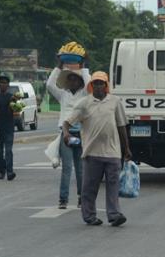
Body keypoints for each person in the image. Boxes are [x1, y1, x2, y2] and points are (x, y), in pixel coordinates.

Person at [62, 72, 132, 227]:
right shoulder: (84, 103)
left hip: (112, 152)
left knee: (113, 186)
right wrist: (66, 134)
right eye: (96, 83)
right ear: (91, 86)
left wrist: (126, 148)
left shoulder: (115, 102)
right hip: (92, 152)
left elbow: (121, 126)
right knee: (89, 188)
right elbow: (67, 122)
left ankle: (114, 215)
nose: (98, 86)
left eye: (101, 83)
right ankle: (89, 216)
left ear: (106, 85)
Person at [46, 59, 92, 209]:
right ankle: (63, 199)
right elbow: (49, 85)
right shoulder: (62, 95)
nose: (72, 82)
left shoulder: (85, 93)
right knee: (66, 168)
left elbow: (89, 84)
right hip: (66, 134)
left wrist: (84, 68)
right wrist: (58, 66)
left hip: (80, 133)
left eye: (75, 79)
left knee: (80, 168)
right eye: (70, 79)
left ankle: (81, 197)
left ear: (79, 81)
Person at [0, 75, 16, 181]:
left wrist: (13, 102)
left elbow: (12, 111)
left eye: (5, 83)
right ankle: (2, 171)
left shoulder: (12, 97)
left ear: (8, 85)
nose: (3, 85)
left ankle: (10, 171)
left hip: (9, 126)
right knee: (0, 152)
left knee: (8, 150)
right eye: (1, 83)